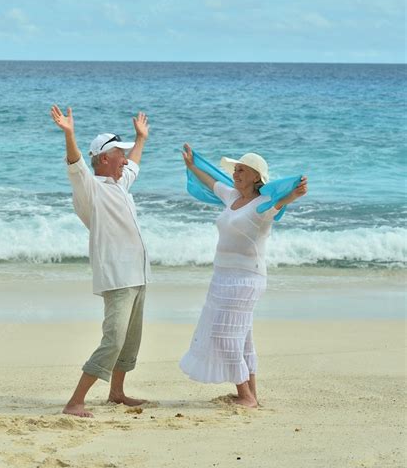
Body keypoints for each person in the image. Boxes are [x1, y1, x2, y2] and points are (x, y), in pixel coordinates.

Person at [179, 144, 308, 408]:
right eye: (235, 169)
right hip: (222, 276)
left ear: (256, 177)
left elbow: (279, 203)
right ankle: (251, 394)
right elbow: (213, 182)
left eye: (241, 170)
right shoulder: (232, 197)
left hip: (246, 279)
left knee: (225, 336)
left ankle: (245, 396)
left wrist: (294, 194)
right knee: (243, 336)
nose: (235, 173)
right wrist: (192, 165)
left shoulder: (263, 204)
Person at [50, 105, 151, 417]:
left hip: (138, 274)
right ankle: (75, 402)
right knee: (113, 340)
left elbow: (133, 163)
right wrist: (70, 134)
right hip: (116, 276)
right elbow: (76, 164)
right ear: (104, 158)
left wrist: (140, 138)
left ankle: (117, 392)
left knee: (129, 342)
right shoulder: (89, 189)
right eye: (119, 153)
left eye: (125, 152)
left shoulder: (120, 183)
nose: (125, 157)